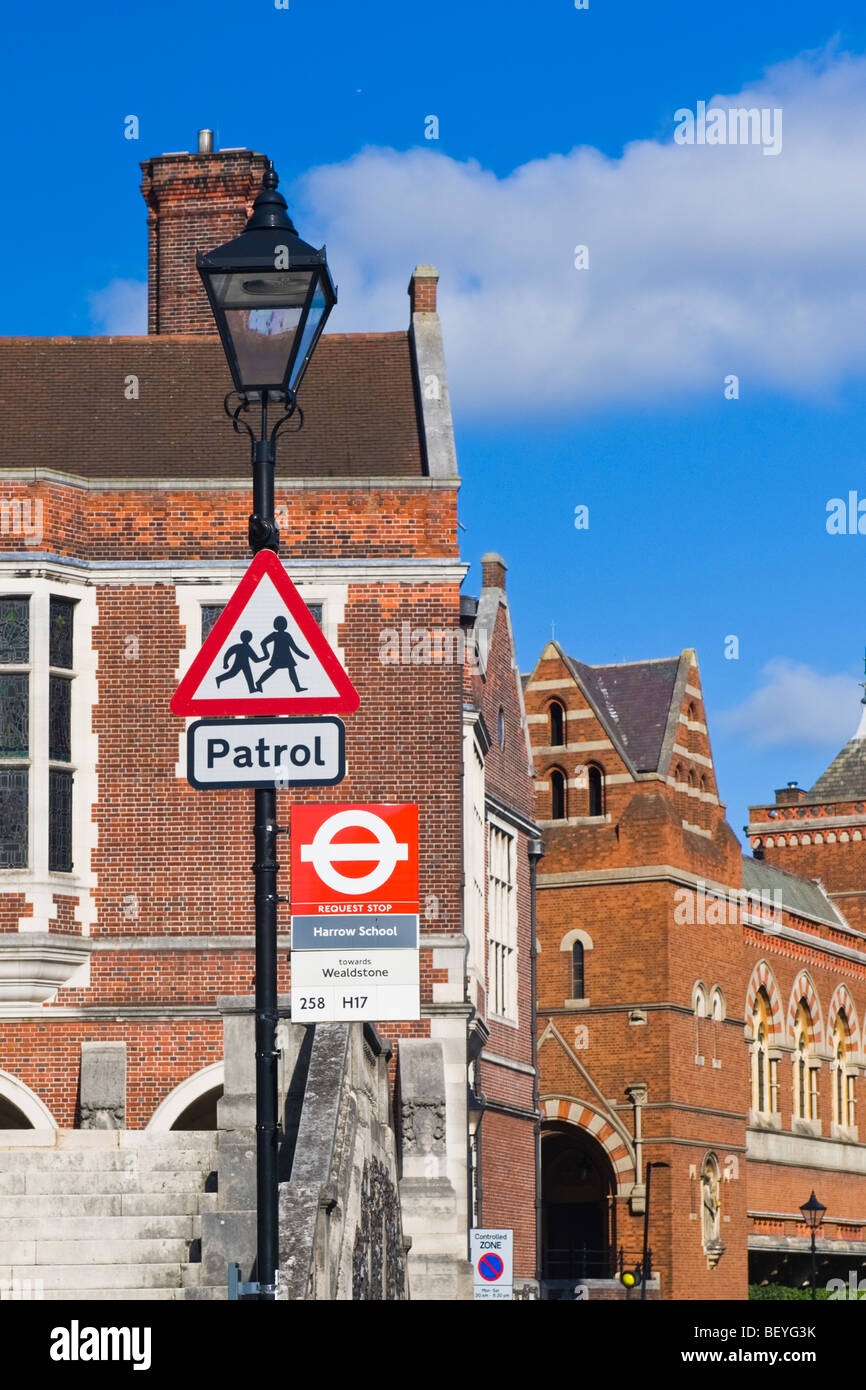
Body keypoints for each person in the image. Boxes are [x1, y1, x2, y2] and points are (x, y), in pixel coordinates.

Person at [255, 615, 310, 693]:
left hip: (284, 656)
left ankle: (297, 687)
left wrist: (266, 654)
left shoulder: (279, 635)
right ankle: (259, 682)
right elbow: (294, 648)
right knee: (277, 669)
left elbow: (263, 643)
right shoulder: (284, 635)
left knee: (289, 669)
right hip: (282, 656)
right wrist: (304, 656)